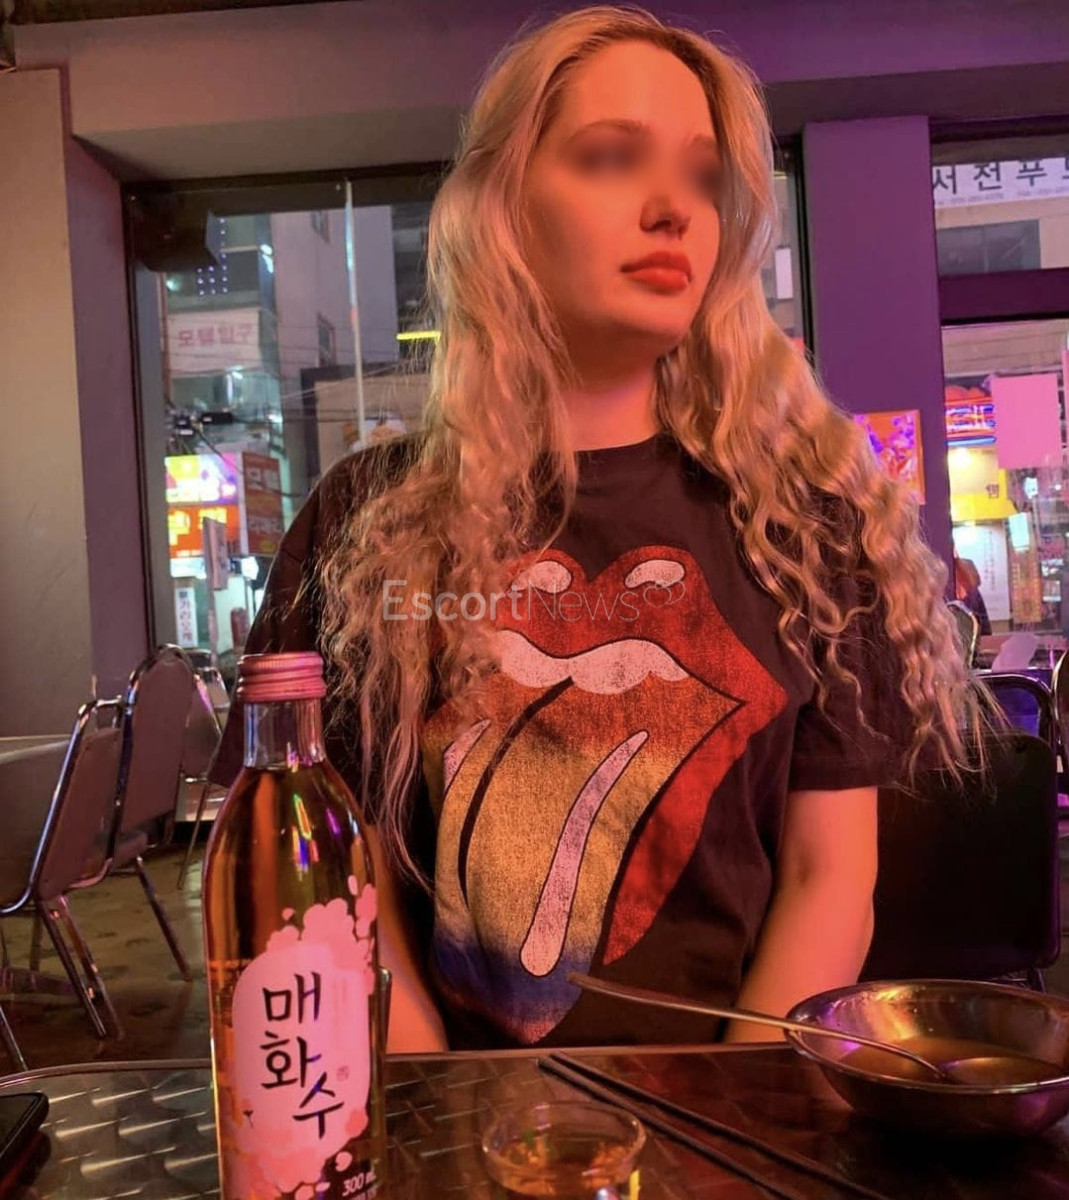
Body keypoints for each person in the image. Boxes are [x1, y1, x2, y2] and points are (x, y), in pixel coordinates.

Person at [212, 6, 979, 1053]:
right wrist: (434, 1105)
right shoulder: (364, 521)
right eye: (612, 157)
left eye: (702, 177)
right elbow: (342, 880)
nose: (672, 209)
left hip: (725, 1105)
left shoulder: (807, 533)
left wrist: (733, 1114)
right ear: (504, 210)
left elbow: (827, 877)